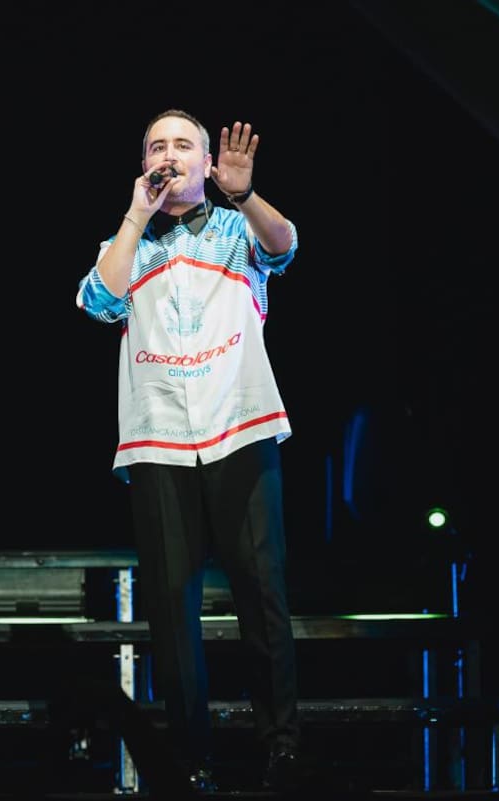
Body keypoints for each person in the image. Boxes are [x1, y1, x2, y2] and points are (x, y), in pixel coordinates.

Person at [75, 109, 302, 792]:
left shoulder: (239, 228)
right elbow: (96, 299)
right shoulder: (130, 242)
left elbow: (286, 243)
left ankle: (281, 744)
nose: (168, 154)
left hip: (240, 425)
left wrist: (245, 193)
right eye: (155, 146)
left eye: (183, 145)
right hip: (161, 440)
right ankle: (192, 757)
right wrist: (137, 217)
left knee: (262, 594)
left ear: (208, 163)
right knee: (173, 606)